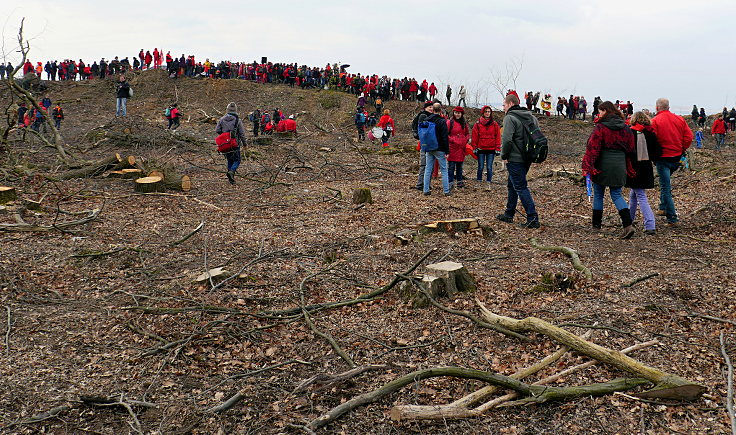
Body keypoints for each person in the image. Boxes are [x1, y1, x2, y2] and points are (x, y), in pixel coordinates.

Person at [581, 101, 636, 238]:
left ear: (606, 111)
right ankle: (628, 225)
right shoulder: (625, 128)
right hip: (620, 164)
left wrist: (588, 166)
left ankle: (596, 225)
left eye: (600, 111)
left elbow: (593, 148)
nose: (599, 114)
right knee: (616, 194)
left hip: (602, 164)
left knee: (599, 194)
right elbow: (631, 149)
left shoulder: (601, 128)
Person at [496, 94, 540, 229]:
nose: (503, 108)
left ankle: (532, 217)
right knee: (512, 184)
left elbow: (507, 139)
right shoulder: (531, 117)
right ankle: (509, 214)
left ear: (510, 104)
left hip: (515, 158)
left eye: (504, 105)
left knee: (520, 186)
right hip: (528, 157)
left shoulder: (510, 118)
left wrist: (504, 155)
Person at [650, 98, 693, 225]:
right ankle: (663, 207)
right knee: (666, 183)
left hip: (663, 158)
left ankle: (672, 217)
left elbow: (653, 141)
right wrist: (681, 149)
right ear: (668, 107)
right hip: (676, 157)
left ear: (657, 107)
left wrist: (654, 155)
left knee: (665, 187)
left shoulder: (655, 121)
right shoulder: (679, 119)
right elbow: (688, 137)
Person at [627, 111, 661, 236]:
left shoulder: (630, 133)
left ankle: (650, 224)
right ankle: (628, 221)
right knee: (634, 194)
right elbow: (657, 152)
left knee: (640, 195)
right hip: (646, 167)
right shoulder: (651, 133)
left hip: (633, 167)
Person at [422, 103, 451, 196]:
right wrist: (447, 151)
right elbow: (444, 137)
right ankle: (446, 191)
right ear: (440, 110)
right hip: (440, 148)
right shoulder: (442, 121)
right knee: (444, 169)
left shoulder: (427, 120)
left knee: (428, 169)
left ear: (433, 110)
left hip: (429, 147)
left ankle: (425, 189)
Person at [215, 102, 246, 184]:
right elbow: (242, 134)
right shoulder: (238, 120)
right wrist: (245, 144)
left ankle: (230, 178)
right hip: (235, 143)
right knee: (237, 160)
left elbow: (217, 130)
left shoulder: (221, 119)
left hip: (225, 144)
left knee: (229, 160)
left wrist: (224, 135)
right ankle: (231, 172)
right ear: (235, 110)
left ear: (227, 110)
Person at [472, 105, 501, 189]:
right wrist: (474, 147)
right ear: (483, 113)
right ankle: (478, 182)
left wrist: (497, 148)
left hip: (491, 149)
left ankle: (488, 183)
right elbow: (474, 136)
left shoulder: (495, 124)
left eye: (489, 112)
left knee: (489, 167)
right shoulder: (478, 124)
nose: (487, 113)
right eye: (486, 112)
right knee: (480, 167)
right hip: (481, 148)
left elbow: (498, 136)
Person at [411, 101, 435, 190]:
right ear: (425, 108)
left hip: (429, 143)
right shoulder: (423, 116)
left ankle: (426, 184)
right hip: (425, 144)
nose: (431, 109)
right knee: (424, 164)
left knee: (429, 165)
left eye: (432, 107)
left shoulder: (431, 116)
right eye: (429, 107)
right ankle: (421, 184)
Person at [446, 106, 469, 189]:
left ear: (461, 114)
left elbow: (467, 134)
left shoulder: (464, 123)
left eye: (459, 113)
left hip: (461, 148)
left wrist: (465, 140)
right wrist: (452, 140)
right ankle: (450, 182)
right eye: (456, 112)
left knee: (460, 166)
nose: (457, 114)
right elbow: (446, 134)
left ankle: (459, 182)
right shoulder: (450, 122)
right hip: (452, 147)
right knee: (451, 166)